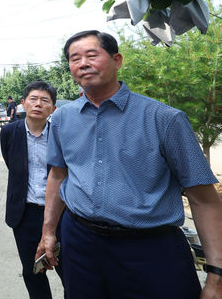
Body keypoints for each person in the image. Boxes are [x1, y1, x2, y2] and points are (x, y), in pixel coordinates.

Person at [37, 30, 222, 298]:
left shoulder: (165, 119)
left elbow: (204, 199)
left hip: (150, 249)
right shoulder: (63, 119)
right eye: (74, 58)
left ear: (117, 60)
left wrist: (216, 275)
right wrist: (48, 232)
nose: (83, 64)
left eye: (92, 55)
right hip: (81, 242)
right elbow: (58, 175)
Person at [1, 81, 64, 299]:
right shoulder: (9, 132)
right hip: (24, 212)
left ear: (53, 108)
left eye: (45, 100)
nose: (38, 104)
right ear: (23, 104)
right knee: (32, 271)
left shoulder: (61, 134)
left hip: (60, 213)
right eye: (33, 99)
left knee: (69, 271)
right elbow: (13, 166)